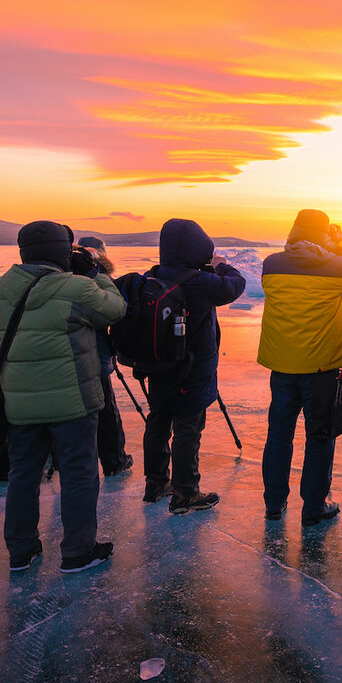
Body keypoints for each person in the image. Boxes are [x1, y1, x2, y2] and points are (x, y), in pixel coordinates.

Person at [0, 221, 127, 574]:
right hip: (72, 402)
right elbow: (115, 309)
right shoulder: (75, 288)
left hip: (19, 402)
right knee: (79, 474)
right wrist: (95, 273)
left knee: (23, 475)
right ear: (61, 252)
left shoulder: (1, 289)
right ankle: (78, 551)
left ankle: (21, 551)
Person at [133, 219, 247, 511]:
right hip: (192, 368)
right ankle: (185, 493)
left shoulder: (152, 276)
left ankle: (156, 482)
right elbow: (236, 285)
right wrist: (221, 265)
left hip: (159, 365)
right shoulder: (200, 282)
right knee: (187, 427)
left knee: (158, 420)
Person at [258, 209, 342, 525]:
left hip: (283, 365)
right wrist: (340, 244)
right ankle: (314, 506)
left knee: (279, 434)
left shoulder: (271, 265)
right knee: (319, 436)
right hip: (321, 368)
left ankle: (274, 504)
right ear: (325, 234)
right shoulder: (337, 266)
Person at [76, 236, 133, 477]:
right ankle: (114, 460)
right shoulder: (95, 278)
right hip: (94, 356)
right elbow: (113, 310)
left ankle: (66, 461)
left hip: (69, 359)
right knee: (104, 410)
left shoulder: (63, 276)